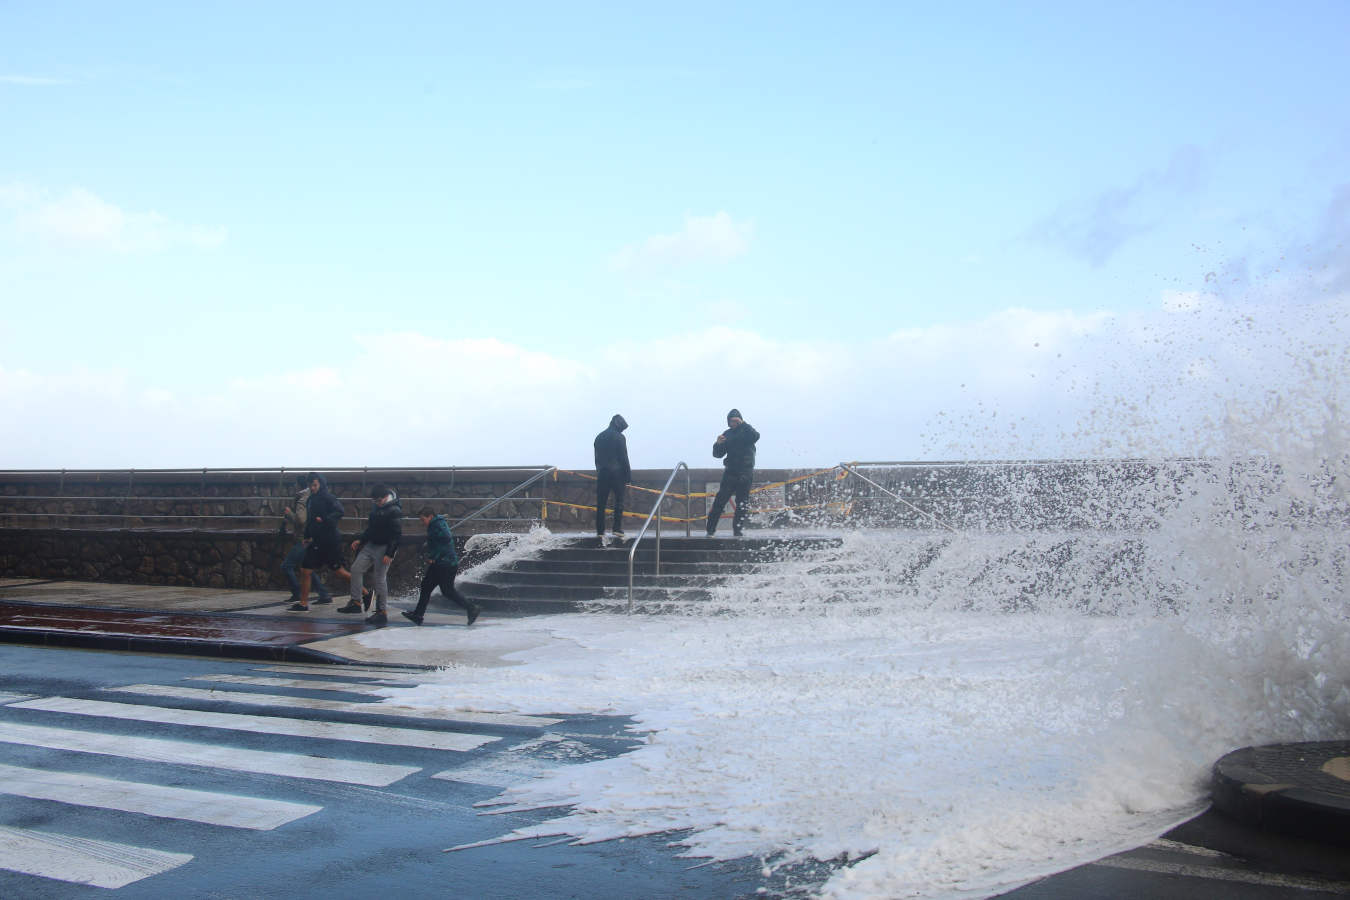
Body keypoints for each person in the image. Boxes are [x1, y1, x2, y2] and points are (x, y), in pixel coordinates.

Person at [403, 507, 480, 626]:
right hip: (442, 563)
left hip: (445, 564)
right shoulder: (435, 524)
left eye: (423, 519)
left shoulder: (438, 524)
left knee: (447, 591)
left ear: (430, 516)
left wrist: (434, 555)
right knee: (427, 586)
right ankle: (418, 615)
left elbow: (446, 537)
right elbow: (438, 541)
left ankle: (472, 608)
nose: (422, 522)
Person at [343, 484, 402, 626]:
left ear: (385, 497)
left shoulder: (394, 510)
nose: (376, 503)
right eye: (374, 501)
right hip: (371, 544)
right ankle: (356, 602)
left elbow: (396, 534)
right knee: (356, 569)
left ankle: (382, 612)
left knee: (379, 578)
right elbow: (371, 528)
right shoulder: (377, 507)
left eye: (378, 501)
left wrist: (390, 553)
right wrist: (361, 540)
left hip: (385, 547)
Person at [292, 472, 350, 611]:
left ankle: (366, 592)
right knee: (305, 570)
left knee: (339, 571)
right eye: (310, 485)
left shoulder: (328, 497)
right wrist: (307, 536)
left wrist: (325, 519)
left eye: (315, 485)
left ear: (321, 484)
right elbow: (310, 520)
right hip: (316, 541)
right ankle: (303, 603)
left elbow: (340, 511)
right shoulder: (311, 499)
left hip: (330, 541)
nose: (312, 488)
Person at [705, 408, 760, 537]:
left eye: (736, 420)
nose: (734, 423)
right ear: (728, 422)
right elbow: (717, 454)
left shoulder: (747, 431)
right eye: (731, 421)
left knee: (742, 503)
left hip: (745, 472)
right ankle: (710, 530)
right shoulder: (727, 434)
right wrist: (717, 444)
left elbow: (756, 436)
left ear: (740, 420)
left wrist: (744, 423)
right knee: (720, 501)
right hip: (730, 472)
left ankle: (738, 530)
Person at [280, 474, 332, 606]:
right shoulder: (312, 496)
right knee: (307, 568)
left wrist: (289, 513)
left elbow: (301, 520)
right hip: (312, 537)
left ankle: (297, 593)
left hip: (303, 538)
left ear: (298, 485)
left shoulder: (302, 499)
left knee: (286, 566)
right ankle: (324, 594)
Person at [593, 413, 631, 543]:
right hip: (617, 473)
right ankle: (616, 528)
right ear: (617, 424)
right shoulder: (620, 437)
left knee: (601, 503)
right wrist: (628, 475)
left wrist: (600, 471)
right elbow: (624, 457)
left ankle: (600, 530)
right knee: (619, 501)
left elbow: (597, 458)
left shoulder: (599, 437)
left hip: (603, 473)